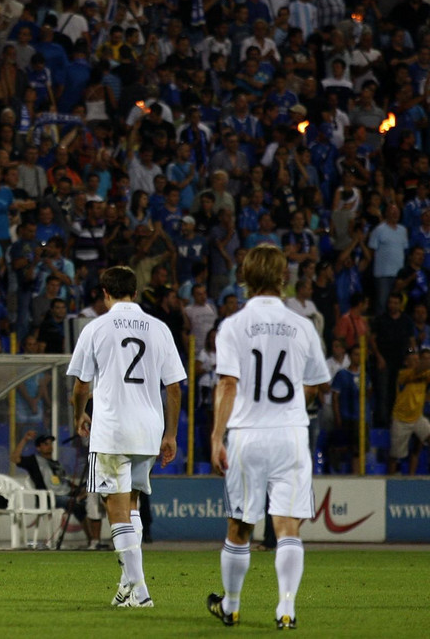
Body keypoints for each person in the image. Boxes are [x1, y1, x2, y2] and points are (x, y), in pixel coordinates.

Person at [207, 244, 331, 629]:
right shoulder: (303, 324)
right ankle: (287, 608)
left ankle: (231, 605)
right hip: (291, 434)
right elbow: (318, 384)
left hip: (247, 434)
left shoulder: (233, 325)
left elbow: (228, 384)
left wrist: (216, 437)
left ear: (244, 278)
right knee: (287, 526)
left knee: (239, 525)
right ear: (283, 277)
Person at [68, 265, 186, 608]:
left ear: (105, 294)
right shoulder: (159, 328)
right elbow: (175, 387)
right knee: (131, 504)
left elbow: (80, 385)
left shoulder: (96, 327)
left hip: (112, 429)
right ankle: (127, 588)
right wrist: (171, 434)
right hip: (148, 429)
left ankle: (141, 589)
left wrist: (80, 415)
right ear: (134, 292)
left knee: (115, 510)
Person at [387, 349, 430, 475]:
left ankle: (414, 476)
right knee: (395, 455)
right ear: (406, 362)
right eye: (413, 360)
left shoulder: (426, 373)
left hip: (417, 417)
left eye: (418, 359)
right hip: (401, 419)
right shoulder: (403, 374)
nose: (417, 362)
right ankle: (390, 478)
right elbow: (418, 370)